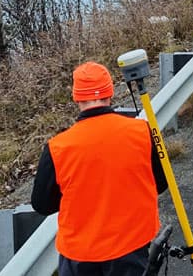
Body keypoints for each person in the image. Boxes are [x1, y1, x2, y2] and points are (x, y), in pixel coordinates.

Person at [31, 61, 168, 275]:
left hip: (80, 254)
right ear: (110, 92)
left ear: (76, 97)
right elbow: (160, 183)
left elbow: (42, 204)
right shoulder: (142, 132)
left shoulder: (57, 147)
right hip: (132, 246)